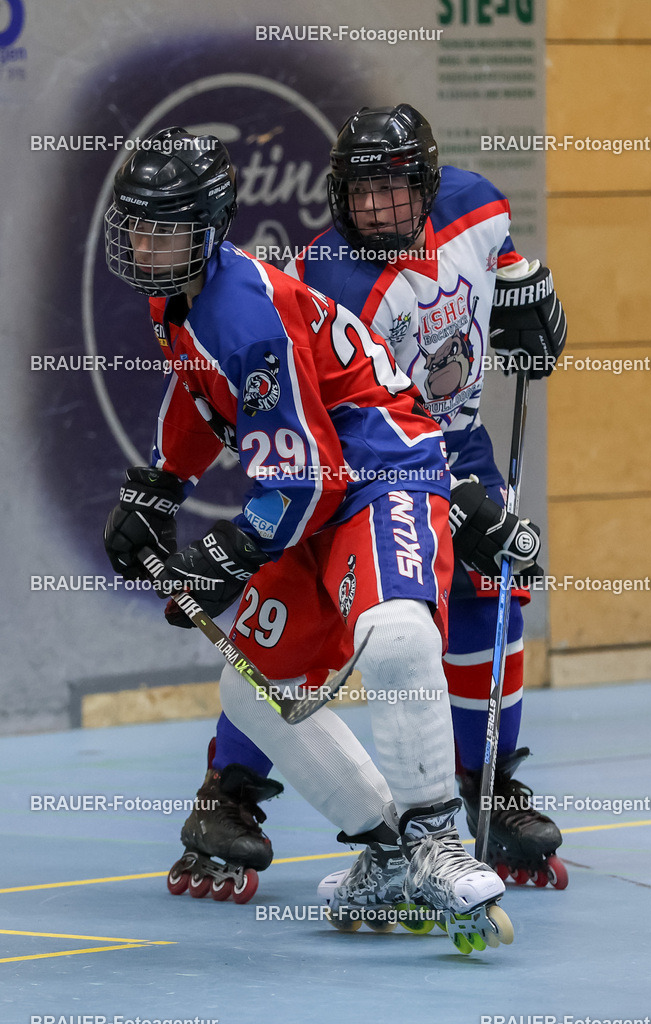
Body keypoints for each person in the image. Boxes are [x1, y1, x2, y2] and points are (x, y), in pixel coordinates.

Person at [101, 126, 538, 950]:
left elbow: (311, 482)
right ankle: (383, 849)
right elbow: (200, 394)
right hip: (318, 486)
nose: (146, 246)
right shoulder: (181, 296)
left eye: (164, 229)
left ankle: (436, 837)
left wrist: (223, 555)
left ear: (209, 227)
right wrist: (158, 485)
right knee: (252, 692)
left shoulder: (246, 319)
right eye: (137, 228)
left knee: (395, 634)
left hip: (382, 472)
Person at [194, 102, 568, 898]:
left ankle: (489, 786)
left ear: (428, 186)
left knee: (492, 584)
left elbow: (504, 256)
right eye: (357, 192)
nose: (373, 209)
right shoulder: (326, 277)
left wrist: (524, 288)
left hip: (453, 442)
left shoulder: (477, 205)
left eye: (393, 191)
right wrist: (447, 497)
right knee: (292, 621)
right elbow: (325, 421)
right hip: (357, 460)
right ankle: (227, 794)